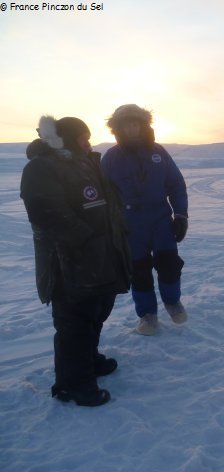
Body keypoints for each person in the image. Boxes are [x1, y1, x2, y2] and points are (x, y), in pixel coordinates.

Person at [20, 115, 131, 407]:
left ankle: (88, 360)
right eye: (83, 138)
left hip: (99, 257)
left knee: (96, 312)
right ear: (68, 139)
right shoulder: (41, 167)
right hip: (68, 262)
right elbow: (46, 212)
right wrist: (85, 239)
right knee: (74, 322)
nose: (88, 143)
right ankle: (74, 384)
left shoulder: (85, 163)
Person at [101, 104, 189, 336]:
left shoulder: (158, 152)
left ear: (143, 125)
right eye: (127, 125)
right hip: (130, 224)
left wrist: (181, 215)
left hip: (161, 220)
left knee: (169, 265)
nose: (132, 128)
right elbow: (103, 194)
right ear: (118, 128)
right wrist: (109, 226)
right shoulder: (111, 158)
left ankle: (172, 302)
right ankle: (148, 316)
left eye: (136, 124)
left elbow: (176, 184)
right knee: (138, 271)